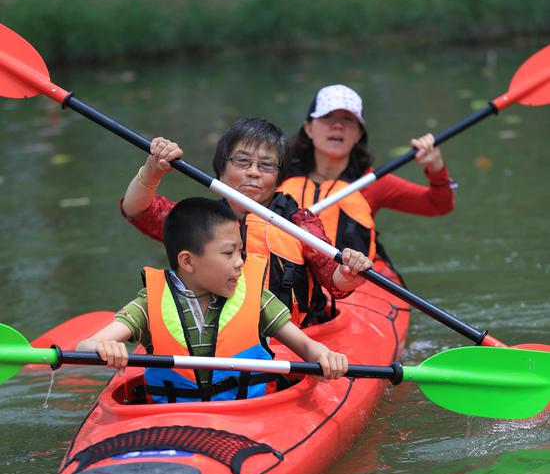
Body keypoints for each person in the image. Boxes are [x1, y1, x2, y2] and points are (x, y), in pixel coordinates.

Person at [78, 197, 349, 403]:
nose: (240, 262)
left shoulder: (256, 298)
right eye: (228, 253)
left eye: (240, 251)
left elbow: (305, 345)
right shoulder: (151, 303)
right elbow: (86, 346)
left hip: (252, 417)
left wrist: (326, 357)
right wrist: (102, 349)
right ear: (188, 261)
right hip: (170, 421)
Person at [120, 118, 374, 328]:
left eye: (266, 165)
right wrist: (153, 169)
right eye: (242, 161)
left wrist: (350, 272)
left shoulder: (298, 220)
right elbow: (137, 210)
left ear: (278, 177)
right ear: (221, 170)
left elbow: (333, 276)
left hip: (292, 341)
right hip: (215, 336)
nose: (253, 171)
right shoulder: (199, 219)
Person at [280, 83, 455, 275]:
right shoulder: (278, 176)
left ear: (359, 134)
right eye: (327, 117)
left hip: (348, 279)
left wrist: (436, 168)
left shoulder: (372, 182)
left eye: (348, 119)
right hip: (289, 271)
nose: (337, 125)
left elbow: (439, 204)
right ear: (309, 129)